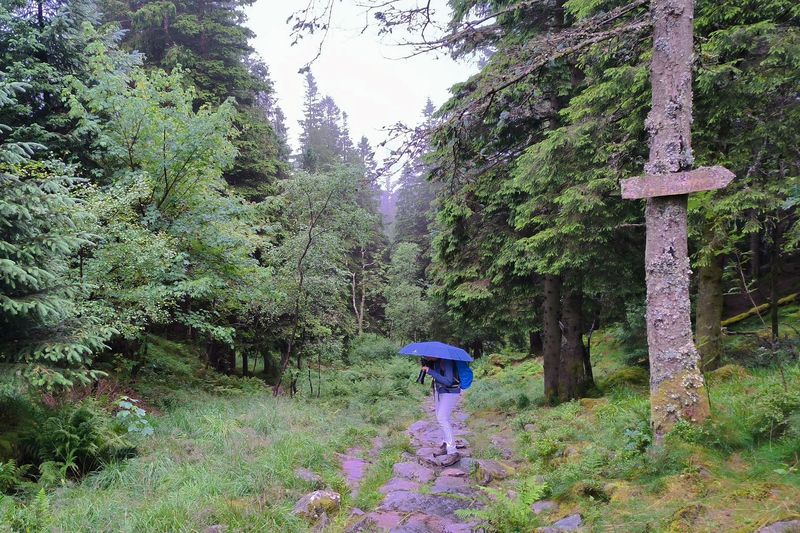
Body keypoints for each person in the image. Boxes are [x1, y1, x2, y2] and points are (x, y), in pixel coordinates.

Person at [422, 357, 460, 457]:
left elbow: (448, 381)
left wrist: (430, 371)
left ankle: (453, 451)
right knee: (442, 418)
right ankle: (445, 444)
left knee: (442, 418)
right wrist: (430, 366)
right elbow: (439, 376)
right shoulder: (436, 361)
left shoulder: (447, 361)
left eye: (428, 356)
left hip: (451, 392)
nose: (426, 357)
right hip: (441, 392)